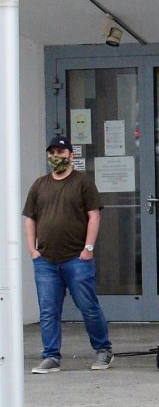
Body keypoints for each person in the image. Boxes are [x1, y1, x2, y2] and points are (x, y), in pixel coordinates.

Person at [24, 132, 111, 373]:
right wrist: (32, 250)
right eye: (51, 153)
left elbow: (94, 215)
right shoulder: (40, 185)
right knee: (48, 310)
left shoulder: (82, 182)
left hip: (77, 259)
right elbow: (30, 218)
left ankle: (103, 350)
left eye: (60, 152)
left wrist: (88, 248)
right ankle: (51, 356)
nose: (55, 157)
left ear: (71, 155)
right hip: (46, 261)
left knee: (88, 306)